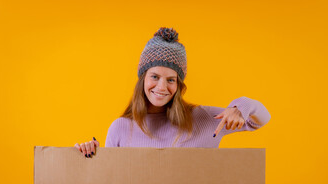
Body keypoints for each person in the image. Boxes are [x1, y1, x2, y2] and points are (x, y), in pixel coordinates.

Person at [75, 27, 271, 158]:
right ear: (142, 79)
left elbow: (262, 118)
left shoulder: (203, 119)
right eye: (154, 77)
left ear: (178, 85)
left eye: (171, 80)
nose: (161, 87)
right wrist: (90, 155)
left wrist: (241, 106)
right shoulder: (120, 128)